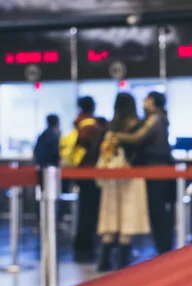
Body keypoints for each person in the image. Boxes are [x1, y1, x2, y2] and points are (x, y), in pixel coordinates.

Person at [113, 91, 175, 254]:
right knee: (158, 209)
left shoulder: (155, 119)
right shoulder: (160, 118)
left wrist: (115, 136)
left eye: (147, 100)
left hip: (155, 170)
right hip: (158, 169)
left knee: (157, 209)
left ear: (153, 102)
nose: (144, 102)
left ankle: (163, 248)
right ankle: (163, 247)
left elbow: (138, 138)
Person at [97, 93, 151, 271]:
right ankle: (122, 263)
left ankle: (104, 260)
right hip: (131, 175)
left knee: (110, 215)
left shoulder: (110, 127)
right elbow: (141, 148)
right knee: (128, 216)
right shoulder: (137, 125)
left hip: (111, 177)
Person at [73, 96, 102, 263]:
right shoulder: (91, 125)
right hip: (90, 173)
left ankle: (82, 246)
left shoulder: (79, 123)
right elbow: (89, 149)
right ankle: (85, 247)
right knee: (89, 213)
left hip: (80, 172)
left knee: (85, 211)